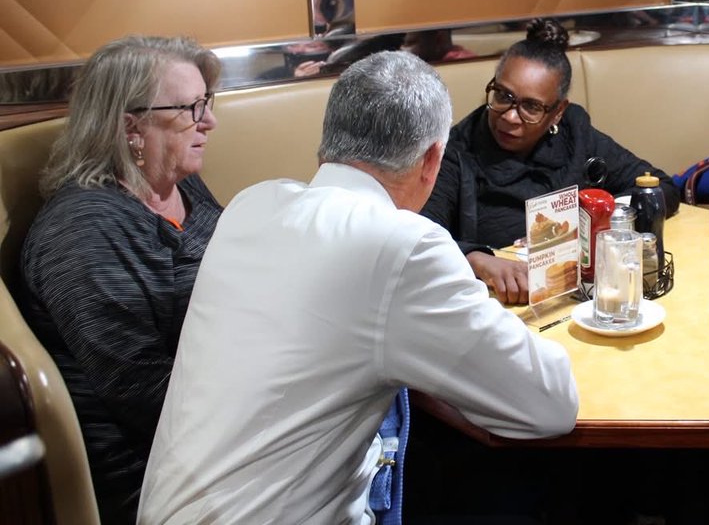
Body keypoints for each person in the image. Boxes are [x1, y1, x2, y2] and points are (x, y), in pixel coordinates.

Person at [138, 50, 577, 524]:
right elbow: (548, 404)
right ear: (432, 159)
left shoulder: (252, 204)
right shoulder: (403, 246)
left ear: (327, 141)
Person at [19, 35, 223, 524]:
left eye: (208, 102)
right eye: (192, 107)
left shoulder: (179, 182)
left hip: (220, 431)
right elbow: (148, 397)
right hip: (162, 480)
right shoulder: (83, 232)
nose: (210, 121)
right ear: (131, 127)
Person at [421, 18, 680, 304]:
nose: (509, 115)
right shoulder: (458, 149)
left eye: (531, 106)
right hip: (505, 305)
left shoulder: (575, 134)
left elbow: (658, 188)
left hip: (584, 295)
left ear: (557, 113)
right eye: (503, 95)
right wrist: (477, 259)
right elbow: (421, 236)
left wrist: (595, 221)